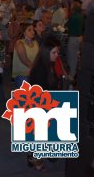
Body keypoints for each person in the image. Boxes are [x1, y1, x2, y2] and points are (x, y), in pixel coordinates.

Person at [26, 36, 62, 171]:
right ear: (47, 53)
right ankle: (35, 158)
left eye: (57, 52)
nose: (57, 55)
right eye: (54, 52)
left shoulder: (48, 65)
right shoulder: (40, 69)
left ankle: (34, 156)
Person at [12, 24, 39, 88]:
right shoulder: (19, 43)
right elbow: (24, 60)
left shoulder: (36, 43)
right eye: (29, 30)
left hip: (33, 72)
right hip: (22, 74)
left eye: (33, 29)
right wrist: (35, 69)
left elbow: (38, 58)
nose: (32, 32)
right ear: (24, 32)